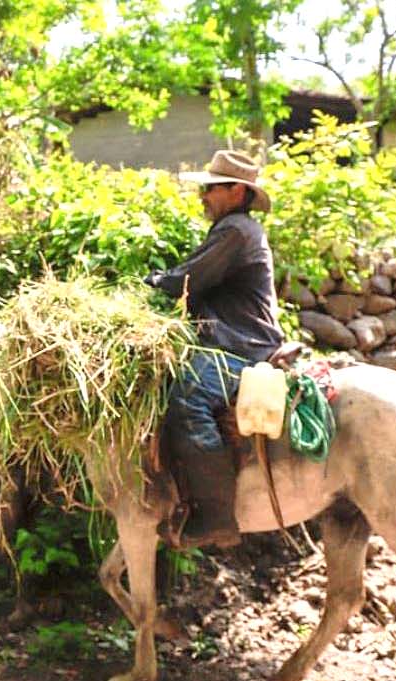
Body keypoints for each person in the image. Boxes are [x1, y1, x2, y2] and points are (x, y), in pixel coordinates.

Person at [145, 150, 283, 545]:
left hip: (241, 345)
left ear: (236, 190)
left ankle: (217, 516)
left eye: (210, 189)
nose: (202, 197)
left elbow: (190, 278)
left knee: (187, 398)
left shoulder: (236, 231)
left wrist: (153, 281)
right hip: (232, 338)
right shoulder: (234, 230)